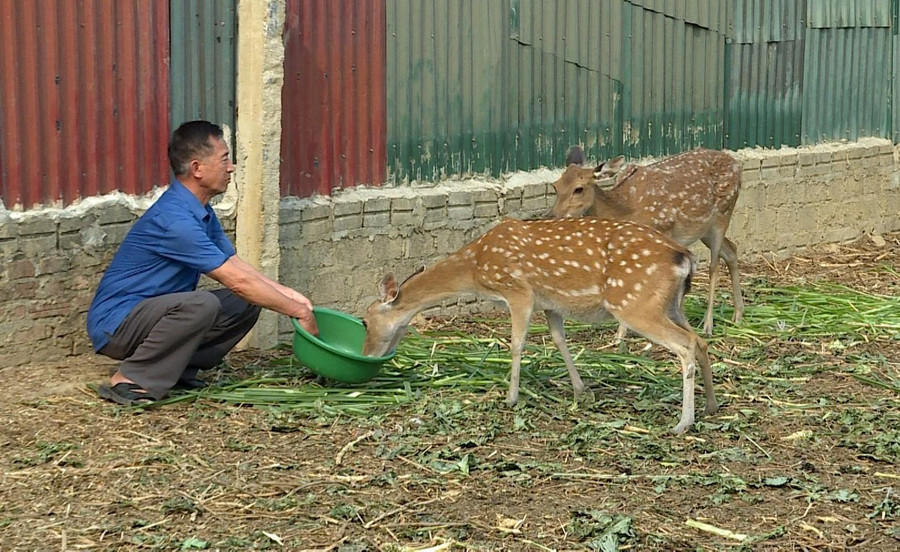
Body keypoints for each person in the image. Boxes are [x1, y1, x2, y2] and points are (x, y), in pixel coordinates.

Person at [87, 120, 318, 406]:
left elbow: (235, 265)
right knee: (205, 304)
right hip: (117, 325)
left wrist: (289, 296)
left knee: (244, 302)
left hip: (154, 315)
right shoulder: (176, 221)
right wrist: (298, 312)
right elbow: (237, 281)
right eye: (224, 159)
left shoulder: (200, 211)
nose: (230, 167)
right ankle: (131, 379)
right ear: (197, 169)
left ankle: (176, 369)